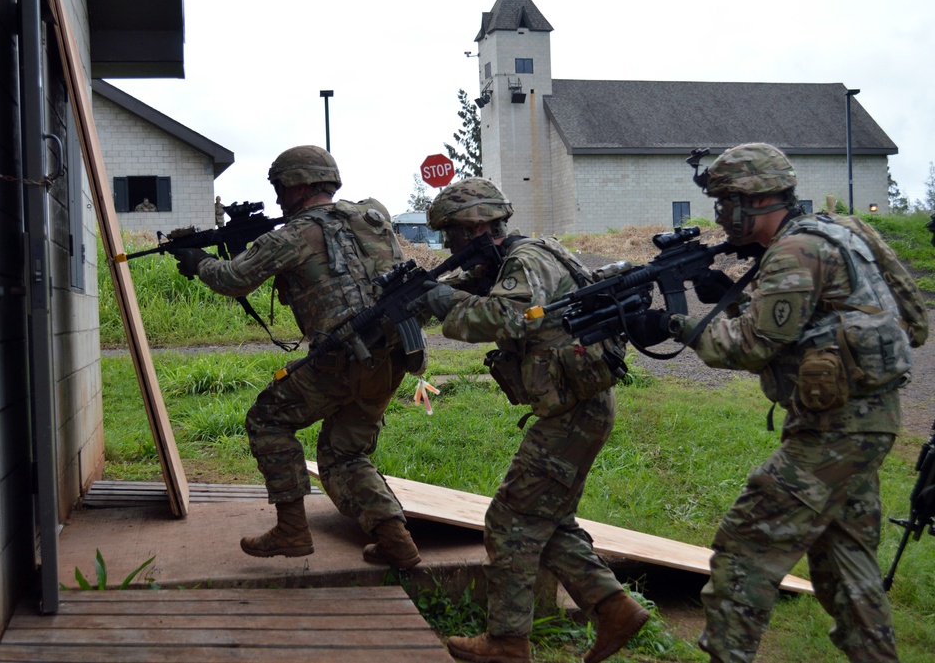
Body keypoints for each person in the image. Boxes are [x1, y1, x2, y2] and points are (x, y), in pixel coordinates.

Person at [631, 143, 914, 662]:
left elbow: (751, 345)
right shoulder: (842, 232)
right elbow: (909, 321)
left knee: (745, 548)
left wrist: (678, 325)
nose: (720, 217)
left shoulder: (792, 252)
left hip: (833, 432)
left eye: (724, 205)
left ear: (752, 202)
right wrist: (730, 293)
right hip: (868, 424)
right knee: (846, 566)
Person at [409, 178, 650, 663]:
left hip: (572, 412)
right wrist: (431, 291)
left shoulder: (524, 262)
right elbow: (489, 292)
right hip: (581, 403)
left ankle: (506, 642)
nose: (448, 245)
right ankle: (613, 607)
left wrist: (442, 303)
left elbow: (508, 317)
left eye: (451, 234)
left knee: (509, 518)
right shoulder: (530, 251)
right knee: (546, 518)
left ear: (475, 227)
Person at [172, 145, 425, 569]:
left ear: (299, 185)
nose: (277, 200)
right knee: (345, 453)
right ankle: (396, 541)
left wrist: (198, 261)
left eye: (280, 188)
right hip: (396, 351)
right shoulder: (372, 216)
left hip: (343, 357)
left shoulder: (294, 234)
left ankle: (292, 529)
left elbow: (235, 279)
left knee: (268, 419)